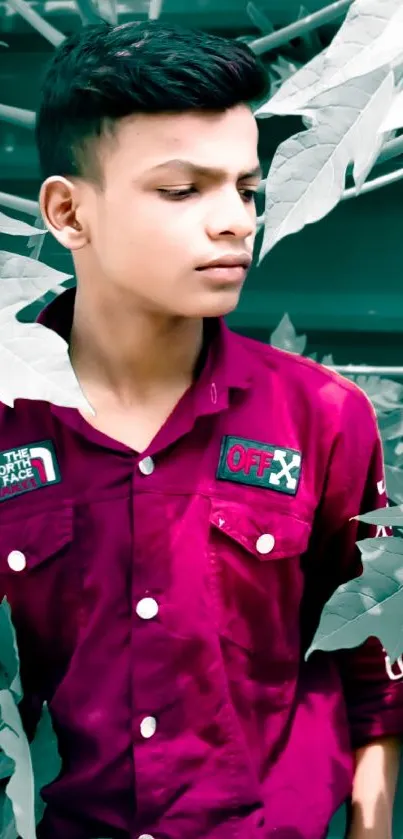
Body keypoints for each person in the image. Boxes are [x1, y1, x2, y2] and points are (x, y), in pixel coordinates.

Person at [0, 19, 401, 839]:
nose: (234, 222)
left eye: (246, 189)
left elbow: (371, 659)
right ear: (69, 213)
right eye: (182, 190)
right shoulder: (10, 424)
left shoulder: (323, 418)